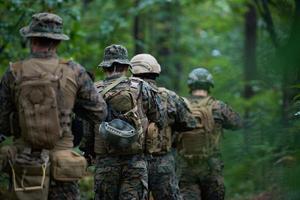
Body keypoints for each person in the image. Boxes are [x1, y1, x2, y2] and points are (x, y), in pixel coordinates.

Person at [0, 12, 107, 200]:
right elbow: (100, 112)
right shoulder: (74, 71)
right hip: (62, 166)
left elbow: (3, 123)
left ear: (31, 39)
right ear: (57, 42)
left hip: (24, 165)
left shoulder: (13, 73)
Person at [87, 45, 162, 200]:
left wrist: (88, 153)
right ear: (127, 67)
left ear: (104, 67)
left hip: (105, 162)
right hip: (135, 162)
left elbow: (86, 127)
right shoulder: (141, 87)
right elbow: (159, 117)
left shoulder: (94, 90)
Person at [130, 53, 196, 200]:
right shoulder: (170, 97)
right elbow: (190, 123)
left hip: (133, 162)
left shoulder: (126, 96)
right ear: (156, 71)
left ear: (132, 71)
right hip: (163, 162)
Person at [176, 67, 242, 200]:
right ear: (209, 84)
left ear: (190, 84)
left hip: (185, 166)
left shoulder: (179, 105)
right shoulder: (218, 106)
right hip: (211, 165)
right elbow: (238, 123)